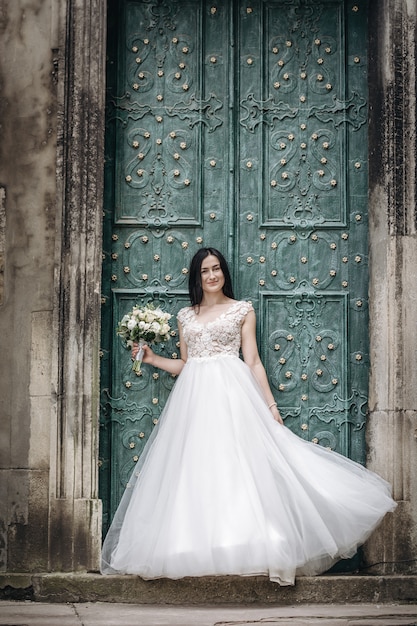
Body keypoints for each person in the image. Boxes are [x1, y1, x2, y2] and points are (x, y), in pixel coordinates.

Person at [101, 247, 396, 585]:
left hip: (233, 396)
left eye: (216, 269)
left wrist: (270, 407)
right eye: (204, 272)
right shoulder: (185, 316)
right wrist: (152, 359)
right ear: (196, 277)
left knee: (238, 465)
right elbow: (185, 364)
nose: (212, 276)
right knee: (196, 469)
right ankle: (192, 546)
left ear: (224, 272)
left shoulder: (242, 310)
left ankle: (251, 544)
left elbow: (253, 361)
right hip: (194, 400)